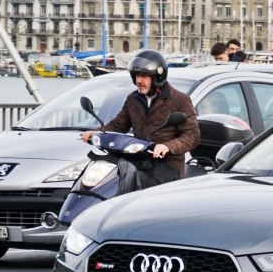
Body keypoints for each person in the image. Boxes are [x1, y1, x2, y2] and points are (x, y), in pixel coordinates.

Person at [81, 48, 200, 178]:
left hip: (168, 166)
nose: (139, 80)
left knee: (133, 182)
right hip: (138, 162)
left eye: (143, 76)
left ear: (157, 76)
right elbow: (118, 125)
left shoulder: (179, 100)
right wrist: (97, 133)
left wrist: (167, 147)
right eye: (136, 75)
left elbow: (192, 135)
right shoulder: (133, 99)